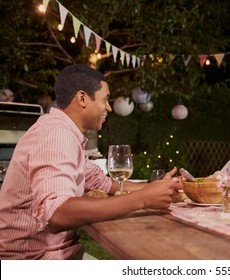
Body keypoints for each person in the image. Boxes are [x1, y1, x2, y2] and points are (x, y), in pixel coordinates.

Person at [0, 64, 183, 259]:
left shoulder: (66, 133)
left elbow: (101, 183)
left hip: (55, 253)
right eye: (105, 99)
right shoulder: (56, 134)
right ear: (82, 98)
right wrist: (143, 198)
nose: (109, 107)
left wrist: (155, 187)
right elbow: (58, 214)